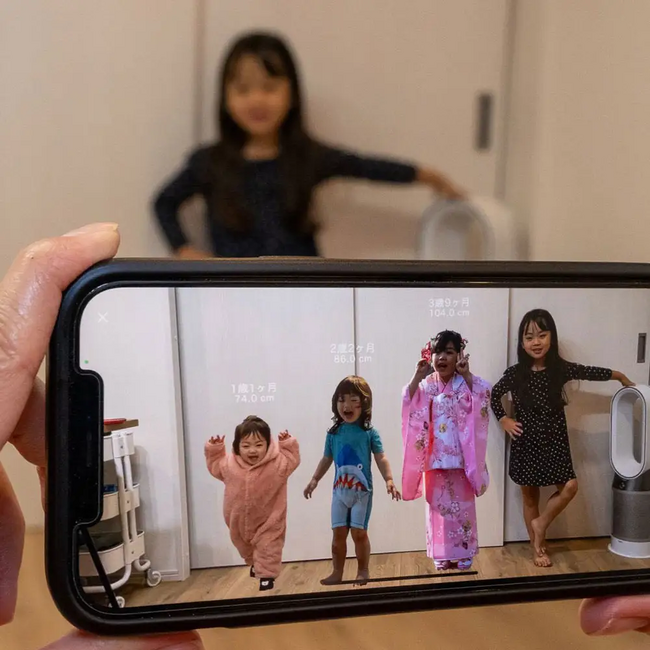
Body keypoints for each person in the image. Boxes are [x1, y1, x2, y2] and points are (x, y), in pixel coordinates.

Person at [0, 224, 647, 644]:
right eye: (442, 355)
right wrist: (414, 391)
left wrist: (383, 465)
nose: (448, 362)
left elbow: (461, 405)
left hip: (447, 463)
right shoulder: (422, 390)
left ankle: (448, 559)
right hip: (420, 463)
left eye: (453, 354)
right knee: (427, 511)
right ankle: (425, 557)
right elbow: (408, 412)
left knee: (449, 513)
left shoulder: (469, 384)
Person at [152, 31, 465, 260]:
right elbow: (164, 202)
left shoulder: (308, 157)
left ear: (291, 94)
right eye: (243, 89)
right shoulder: (209, 162)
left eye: (269, 87)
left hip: (307, 289)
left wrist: (429, 176)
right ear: (225, 98)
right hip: (233, 294)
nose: (257, 99)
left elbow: (365, 166)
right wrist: (184, 250)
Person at [490, 308, 634, 568]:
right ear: (522, 343)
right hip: (525, 442)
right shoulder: (515, 373)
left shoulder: (560, 369)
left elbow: (589, 371)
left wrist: (620, 376)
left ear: (551, 338)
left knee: (569, 487)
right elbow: (494, 395)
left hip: (555, 442)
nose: (536, 342)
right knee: (529, 497)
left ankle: (541, 524)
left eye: (542, 335)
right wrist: (504, 420)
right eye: (529, 337)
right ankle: (537, 547)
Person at [401, 331, 491, 571]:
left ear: (459, 355)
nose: (442, 357)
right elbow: (409, 399)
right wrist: (417, 375)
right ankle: (440, 552)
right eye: (437, 352)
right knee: (437, 507)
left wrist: (467, 375)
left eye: (449, 352)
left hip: (461, 458)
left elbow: (483, 395)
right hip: (435, 458)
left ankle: (464, 550)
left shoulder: (465, 382)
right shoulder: (427, 384)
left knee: (463, 507)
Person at [303, 375, 401, 586]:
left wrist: (389, 479)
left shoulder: (369, 432)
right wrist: (314, 479)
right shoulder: (333, 433)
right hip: (339, 493)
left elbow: (381, 457)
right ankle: (337, 572)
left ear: (364, 403)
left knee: (359, 533)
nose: (346, 406)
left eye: (353, 400)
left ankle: (363, 571)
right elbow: (326, 459)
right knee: (338, 534)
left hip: (362, 493)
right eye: (341, 400)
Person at [204, 415, 300, 591]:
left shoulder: (277, 464)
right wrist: (215, 450)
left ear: (268, 444)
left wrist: (287, 444)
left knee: (268, 546)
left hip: (269, 519)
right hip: (237, 520)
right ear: (237, 446)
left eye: (259, 445)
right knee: (243, 546)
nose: (252, 450)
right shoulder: (229, 464)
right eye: (246, 446)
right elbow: (215, 466)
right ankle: (254, 563)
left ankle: (266, 576)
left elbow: (292, 460)